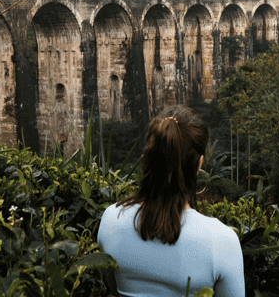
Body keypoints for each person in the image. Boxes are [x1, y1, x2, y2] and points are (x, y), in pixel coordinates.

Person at [97, 105, 245, 296]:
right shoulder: (221, 242)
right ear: (198, 164)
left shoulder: (111, 219)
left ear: (149, 155)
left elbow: (111, 286)